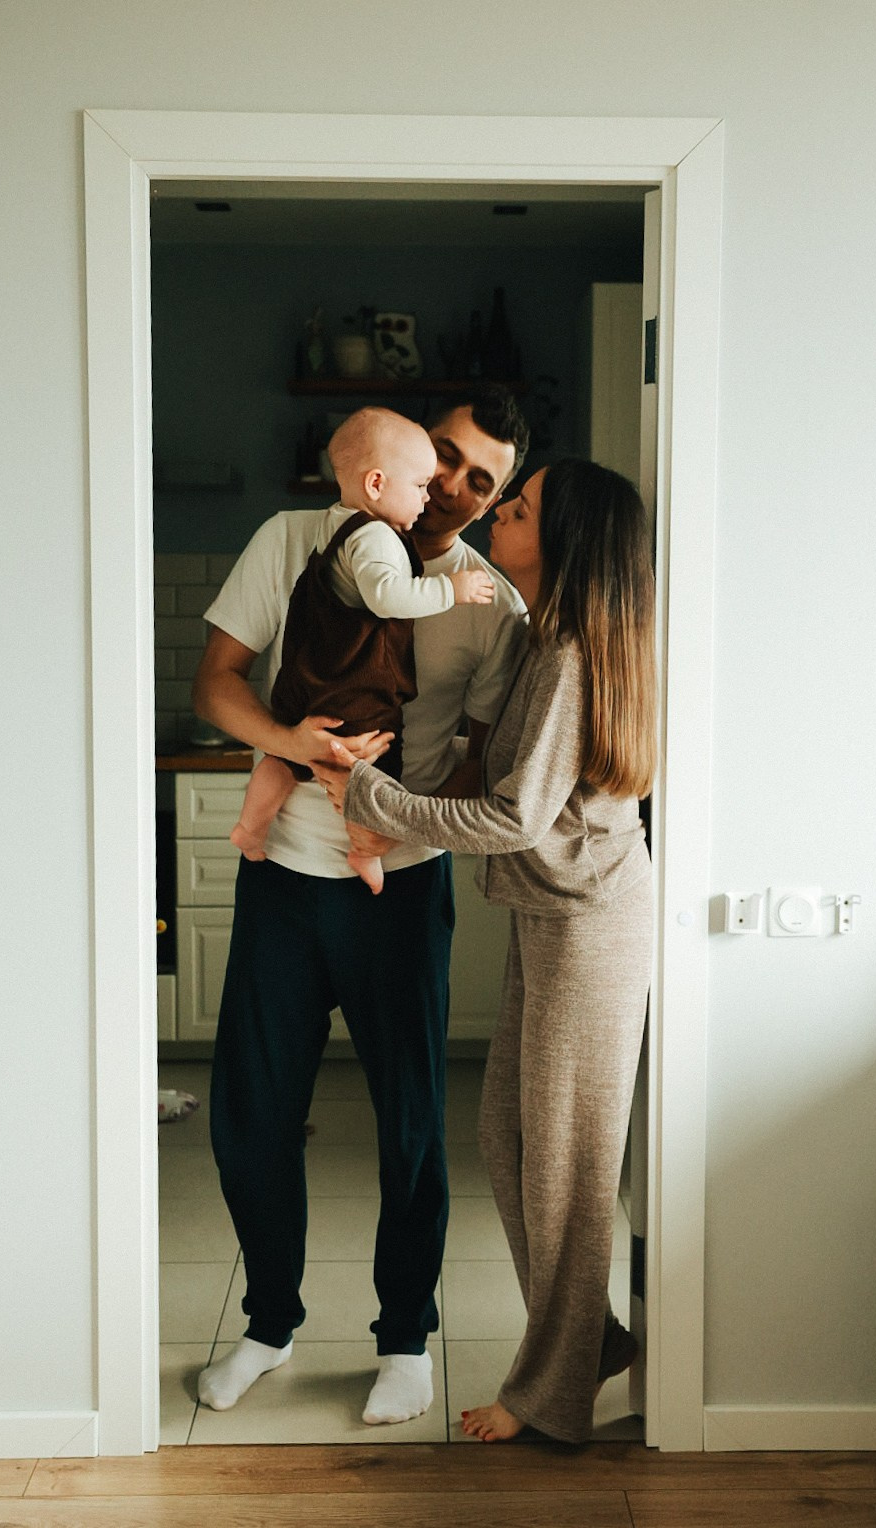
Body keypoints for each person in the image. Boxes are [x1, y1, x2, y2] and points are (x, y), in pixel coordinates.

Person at [191, 385, 530, 1424]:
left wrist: (403, 816)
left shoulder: (481, 600)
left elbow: (481, 755)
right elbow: (218, 683)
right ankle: (269, 1322)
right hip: (282, 882)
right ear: (396, 457)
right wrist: (298, 751)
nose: (456, 488)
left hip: (401, 888)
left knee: (410, 1129)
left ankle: (403, 1338)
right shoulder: (296, 536)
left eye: (483, 480)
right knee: (251, 1119)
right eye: (446, 456)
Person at [313, 458, 657, 1444]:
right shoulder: (550, 636)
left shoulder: (569, 656)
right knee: (507, 1139)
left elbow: (511, 815)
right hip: (555, 916)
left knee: (563, 1166)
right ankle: (588, 1343)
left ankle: (550, 1394)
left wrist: (370, 799)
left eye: (519, 506)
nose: (498, 514)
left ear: (566, 540)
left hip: (587, 927)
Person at [230, 408, 495, 892]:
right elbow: (388, 596)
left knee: (280, 765)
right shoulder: (375, 535)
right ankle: (363, 849)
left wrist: (292, 742)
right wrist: (451, 590)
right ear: (376, 484)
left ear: (490, 503)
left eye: (479, 481)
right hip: (350, 697)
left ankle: (251, 824)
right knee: (373, 775)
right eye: (423, 481)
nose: (435, 490)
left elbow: (486, 759)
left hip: (307, 689)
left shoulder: (337, 525)